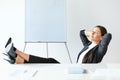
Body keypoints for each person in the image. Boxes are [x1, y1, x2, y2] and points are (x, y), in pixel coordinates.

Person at [3, 25, 112, 64]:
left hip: (82, 75)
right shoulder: (88, 45)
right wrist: (90, 32)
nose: (92, 33)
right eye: (92, 31)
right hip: (76, 71)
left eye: (96, 32)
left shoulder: (99, 50)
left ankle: (15, 53)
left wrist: (98, 35)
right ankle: (17, 57)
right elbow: (81, 33)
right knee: (51, 61)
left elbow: (109, 36)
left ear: (101, 36)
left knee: (51, 62)